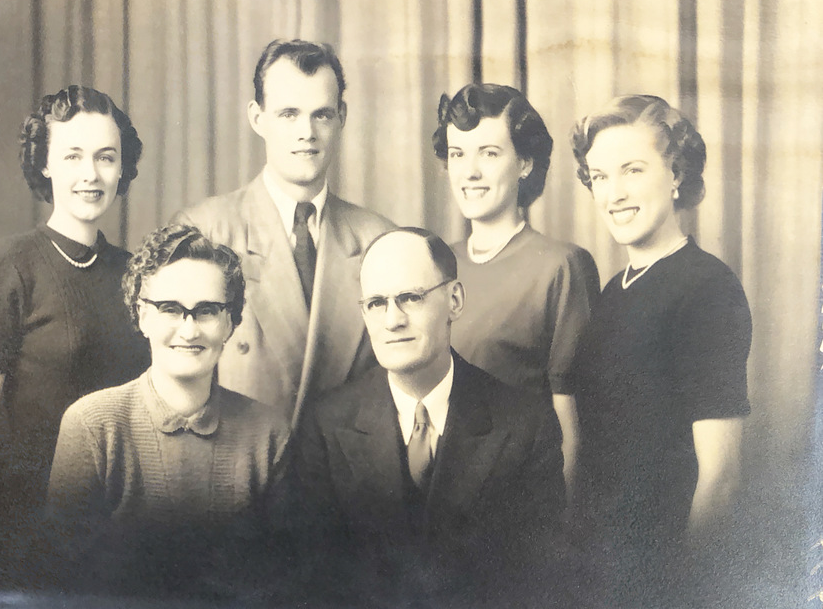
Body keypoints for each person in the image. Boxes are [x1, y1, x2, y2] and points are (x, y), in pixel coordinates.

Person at [295, 228, 566, 607]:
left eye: (410, 297)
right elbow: (313, 582)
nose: (393, 320)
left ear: (454, 300)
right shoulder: (326, 426)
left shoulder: (525, 424)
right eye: (376, 303)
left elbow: (540, 582)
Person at [0, 86, 150, 588]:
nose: (91, 174)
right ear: (45, 164)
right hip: (30, 527)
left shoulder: (137, 274)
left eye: (106, 157)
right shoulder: (8, 264)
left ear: (122, 168)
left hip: (125, 524)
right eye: (73, 156)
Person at [569, 95, 752, 606]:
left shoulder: (707, 287)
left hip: (660, 578)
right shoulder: (614, 289)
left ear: (676, 175)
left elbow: (721, 479)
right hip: (598, 567)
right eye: (600, 176)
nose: (614, 194)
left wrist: (674, 591)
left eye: (632, 170)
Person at [46, 225, 291, 599]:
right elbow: (62, 579)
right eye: (170, 309)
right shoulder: (92, 425)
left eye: (207, 311)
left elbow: (283, 580)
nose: (189, 331)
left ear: (230, 322)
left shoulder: (269, 433)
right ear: (142, 316)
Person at [174, 39, 393, 430]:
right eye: (289, 114)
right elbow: (177, 390)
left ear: (341, 117)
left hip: (346, 467)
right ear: (257, 118)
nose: (306, 132)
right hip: (240, 459)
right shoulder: (204, 233)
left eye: (321, 115)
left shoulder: (380, 241)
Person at [433, 83, 599, 495]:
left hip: (518, 503)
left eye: (489, 154)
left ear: (524, 163)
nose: (469, 172)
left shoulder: (561, 267)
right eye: (457, 154)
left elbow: (573, 430)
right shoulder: (434, 264)